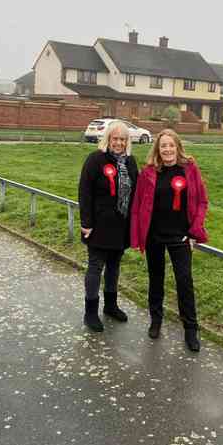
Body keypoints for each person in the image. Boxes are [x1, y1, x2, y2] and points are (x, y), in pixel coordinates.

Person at [131, 129, 208, 352]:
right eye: (163, 146)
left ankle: (191, 330)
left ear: (177, 147)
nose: (167, 149)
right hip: (155, 235)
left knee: (185, 283)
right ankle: (156, 320)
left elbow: (202, 201)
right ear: (158, 149)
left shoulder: (190, 169)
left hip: (180, 237)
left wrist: (194, 230)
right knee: (156, 279)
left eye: (171, 145)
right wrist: (138, 236)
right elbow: (138, 205)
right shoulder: (149, 172)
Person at [78, 120, 138, 332]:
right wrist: (86, 223)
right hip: (98, 225)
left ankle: (111, 306)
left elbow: (136, 193)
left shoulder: (131, 162)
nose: (118, 143)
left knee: (114, 266)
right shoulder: (95, 160)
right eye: (115, 139)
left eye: (122, 139)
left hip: (121, 226)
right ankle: (90, 313)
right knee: (96, 267)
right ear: (108, 139)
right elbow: (84, 192)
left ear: (127, 141)